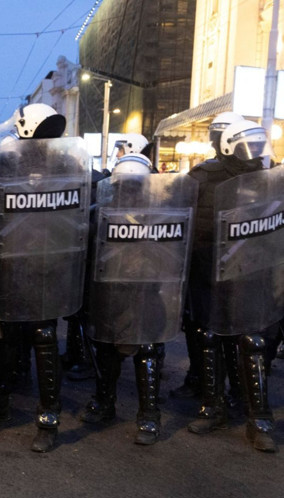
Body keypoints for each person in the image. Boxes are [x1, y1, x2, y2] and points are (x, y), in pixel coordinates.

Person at [0, 103, 89, 452]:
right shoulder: (11, 163)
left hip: (45, 263)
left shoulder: (68, 165)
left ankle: (48, 418)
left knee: (41, 336)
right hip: (16, 261)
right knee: (8, 329)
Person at [79, 153, 196, 445]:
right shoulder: (98, 212)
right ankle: (105, 402)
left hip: (147, 292)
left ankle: (149, 415)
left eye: (134, 186)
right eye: (125, 186)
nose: (129, 191)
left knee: (147, 351)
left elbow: (176, 257)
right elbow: (87, 255)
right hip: (111, 293)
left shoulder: (165, 214)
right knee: (106, 349)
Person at [185, 120, 281, 453]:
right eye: (247, 148)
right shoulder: (201, 179)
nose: (255, 155)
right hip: (210, 273)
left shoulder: (271, 181)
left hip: (253, 274)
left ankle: (260, 418)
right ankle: (213, 407)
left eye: (258, 147)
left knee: (252, 340)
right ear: (227, 147)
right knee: (209, 337)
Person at [172, 111, 245, 400]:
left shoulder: (201, 174)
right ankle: (237, 389)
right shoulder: (258, 176)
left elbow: (178, 214)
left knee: (200, 325)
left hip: (203, 263)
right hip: (239, 265)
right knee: (234, 328)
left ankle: (202, 382)